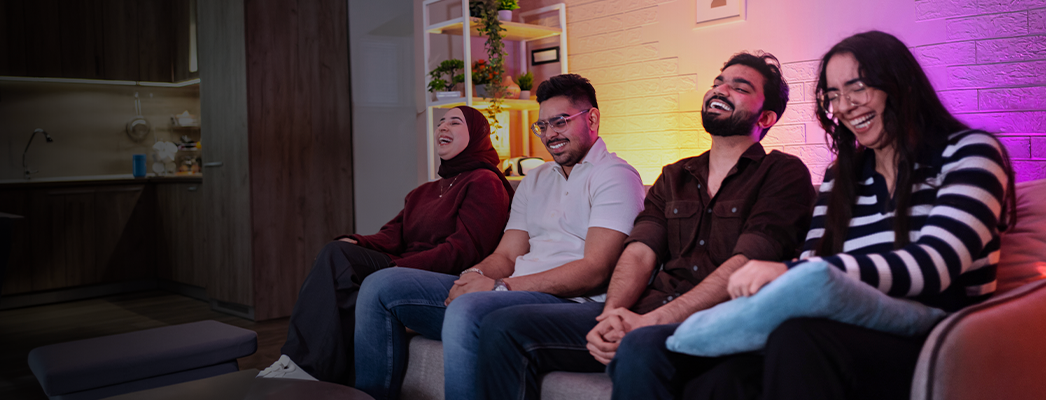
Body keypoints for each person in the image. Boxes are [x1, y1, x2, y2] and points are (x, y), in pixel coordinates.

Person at [670, 30, 1017, 400]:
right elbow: (813, 262)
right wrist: (798, 275)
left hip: (939, 339)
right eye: (834, 95)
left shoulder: (971, 153)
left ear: (900, 84)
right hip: (845, 326)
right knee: (719, 378)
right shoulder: (842, 175)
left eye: (857, 87)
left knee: (799, 339)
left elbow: (936, 265)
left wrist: (791, 272)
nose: (845, 105)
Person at [474, 51, 818, 400]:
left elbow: (748, 260)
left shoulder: (782, 173)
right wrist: (610, 317)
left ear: (768, 115)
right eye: (718, 82)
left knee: (639, 347)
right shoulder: (674, 175)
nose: (721, 89)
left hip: (717, 320)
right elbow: (639, 253)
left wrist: (651, 321)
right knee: (502, 327)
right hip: (644, 314)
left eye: (739, 87)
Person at [351, 73, 647, 400]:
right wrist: (475, 276)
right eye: (542, 126)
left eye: (560, 122)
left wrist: (499, 287)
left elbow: (596, 269)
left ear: (591, 118)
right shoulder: (534, 180)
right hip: (511, 290)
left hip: (565, 301)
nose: (550, 135)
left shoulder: (615, 176)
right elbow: (506, 255)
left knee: (469, 309)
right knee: (380, 286)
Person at [256, 106, 513, 384]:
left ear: (477, 135)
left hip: (439, 276)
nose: (442, 127)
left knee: (344, 269)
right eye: (440, 123)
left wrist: (396, 269)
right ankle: (304, 364)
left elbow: (465, 250)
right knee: (337, 252)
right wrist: (356, 241)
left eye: (455, 122)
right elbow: (392, 235)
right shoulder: (423, 192)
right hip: (403, 268)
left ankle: (307, 366)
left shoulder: (485, 182)